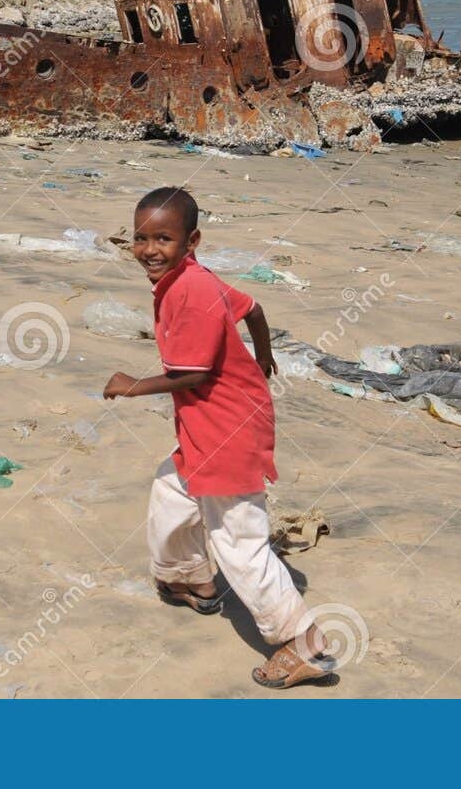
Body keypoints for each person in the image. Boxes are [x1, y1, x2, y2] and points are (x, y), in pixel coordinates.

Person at [103, 186, 335, 690]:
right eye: (141, 238)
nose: (149, 249)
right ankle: (190, 577)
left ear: (192, 241)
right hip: (207, 427)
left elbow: (192, 374)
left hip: (228, 432)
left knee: (238, 541)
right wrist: (263, 354)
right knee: (171, 491)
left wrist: (130, 386)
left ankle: (301, 641)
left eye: (163, 238)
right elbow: (253, 309)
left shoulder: (193, 290)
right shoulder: (188, 278)